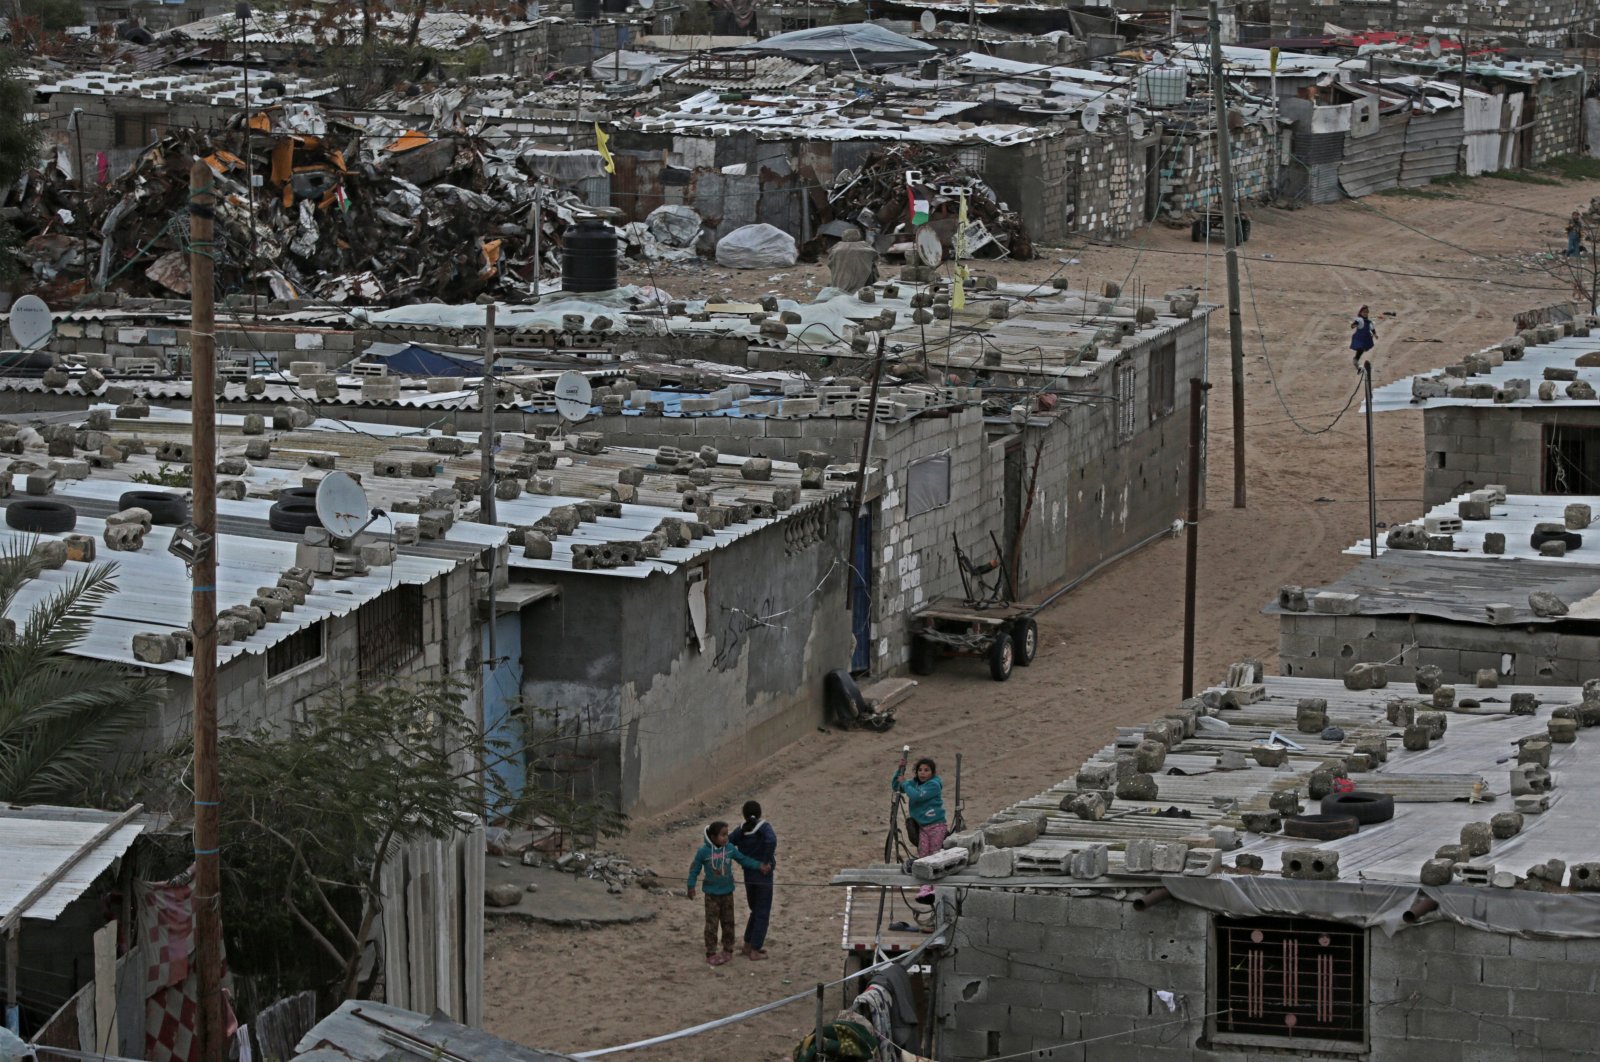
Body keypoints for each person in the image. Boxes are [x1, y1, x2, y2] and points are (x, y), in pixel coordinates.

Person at [687, 820, 770, 966]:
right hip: (711, 895)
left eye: (727, 834)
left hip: (727, 894)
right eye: (723, 835)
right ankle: (711, 951)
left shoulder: (730, 849)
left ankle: (727, 948)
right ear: (713, 837)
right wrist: (691, 886)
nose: (726, 838)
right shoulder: (703, 852)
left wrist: (759, 866)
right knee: (711, 925)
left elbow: (743, 860)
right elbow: (694, 869)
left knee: (728, 923)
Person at [892, 753, 947, 903]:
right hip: (923, 827)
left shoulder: (933, 785)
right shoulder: (914, 784)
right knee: (923, 855)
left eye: (926, 770)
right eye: (920, 770)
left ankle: (935, 885)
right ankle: (925, 886)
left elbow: (916, 796)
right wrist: (900, 770)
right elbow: (897, 785)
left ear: (932, 772)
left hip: (936, 825)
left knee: (935, 854)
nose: (923, 773)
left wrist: (905, 784)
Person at [729, 800, 778, 960]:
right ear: (759, 813)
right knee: (762, 912)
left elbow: (728, 842)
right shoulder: (763, 827)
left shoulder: (741, 830)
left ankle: (748, 944)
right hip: (763, 876)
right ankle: (755, 949)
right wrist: (765, 861)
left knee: (755, 910)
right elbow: (771, 840)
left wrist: (741, 858)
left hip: (748, 875)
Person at [827, 228, 880, 292]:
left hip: (841, 280)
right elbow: (875, 256)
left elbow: (830, 259)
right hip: (864, 280)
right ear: (858, 236)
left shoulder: (837, 247)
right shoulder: (864, 245)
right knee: (872, 267)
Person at [1350, 306, 1377, 372]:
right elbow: (1354, 324)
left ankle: (1356, 362)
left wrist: (1375, 334)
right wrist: (1354, 325)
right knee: (1360, 349)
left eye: (1367, 312)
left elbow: (1372, 329)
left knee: (1361, 350)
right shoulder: (1360, 320)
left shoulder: (1369, 322)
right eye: (1364, 312)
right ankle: (1356, 361)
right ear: (1361, 312)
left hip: (1366, 339)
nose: (1365, 314)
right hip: (1359, 338)